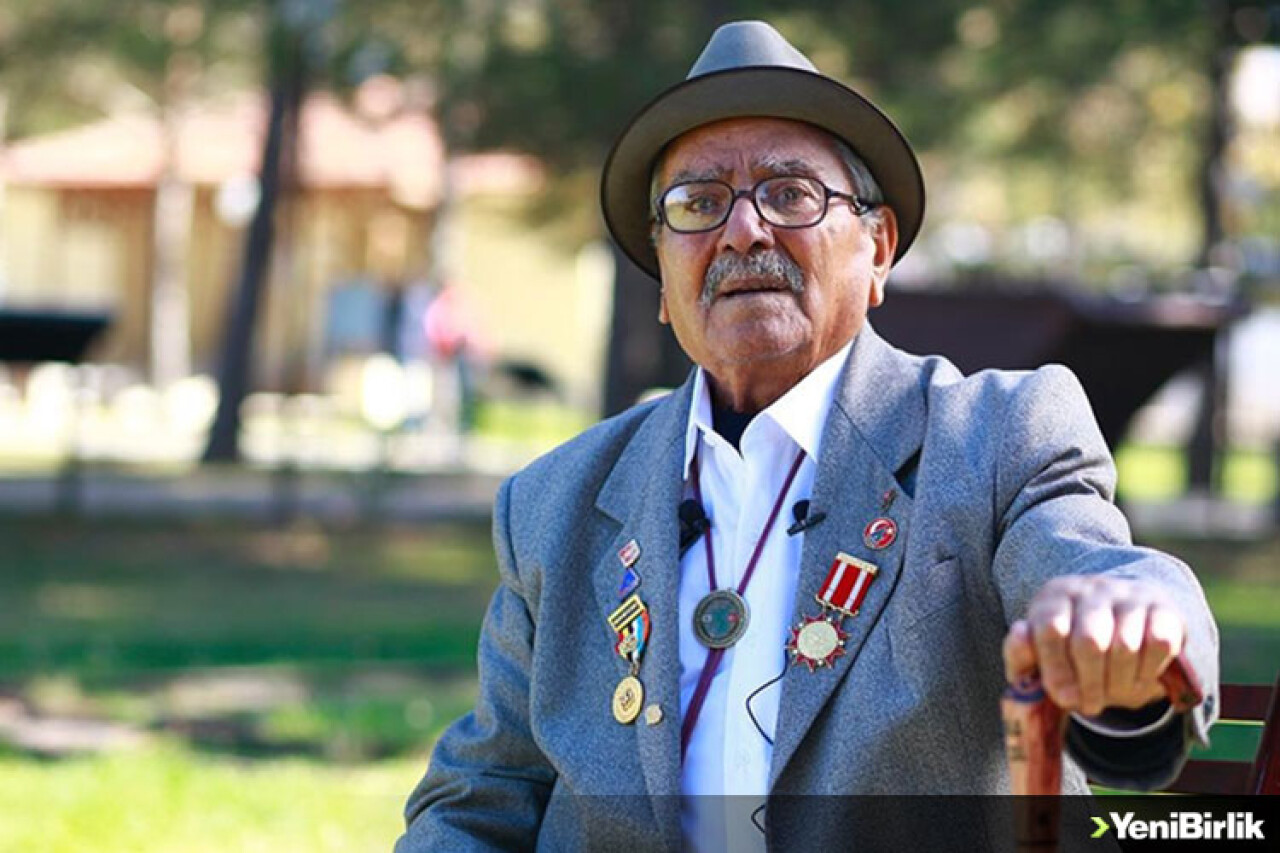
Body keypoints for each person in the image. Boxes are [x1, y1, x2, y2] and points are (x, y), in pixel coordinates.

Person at [396, 20, 1219, 851]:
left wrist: (1134, 616)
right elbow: (481, 795)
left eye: (792, 193)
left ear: (879, 250)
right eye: (698, 203)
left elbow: (1099, 569)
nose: (743, 230)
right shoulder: (554, 502)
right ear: (660, 278)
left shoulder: (994, 436)